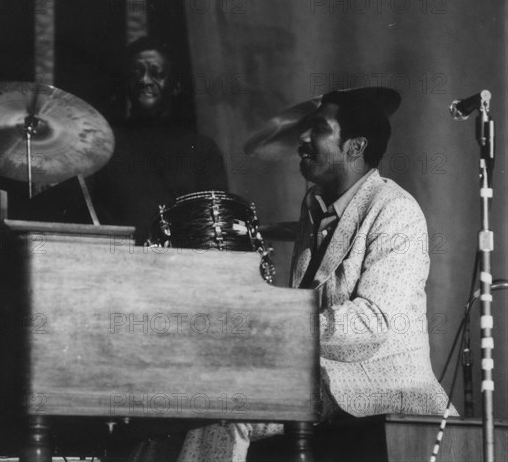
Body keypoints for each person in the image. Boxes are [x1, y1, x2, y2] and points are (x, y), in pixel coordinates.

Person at [175, 89, 457, 461]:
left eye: (318, 130)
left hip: (383, 382)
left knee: (229, 410)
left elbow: (372, 325)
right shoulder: (315, 206)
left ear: (355, 147)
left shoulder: (396, 211)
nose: (303, 139)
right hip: (328, 376)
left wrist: (277, 324)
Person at [92, 37, 228, 244]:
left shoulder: (202, 149)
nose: (145, 80)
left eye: (157, 74)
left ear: (175, 86)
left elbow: (214, 224)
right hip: (117, 264)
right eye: (136, 73)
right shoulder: (103, 142)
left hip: (183, 267)